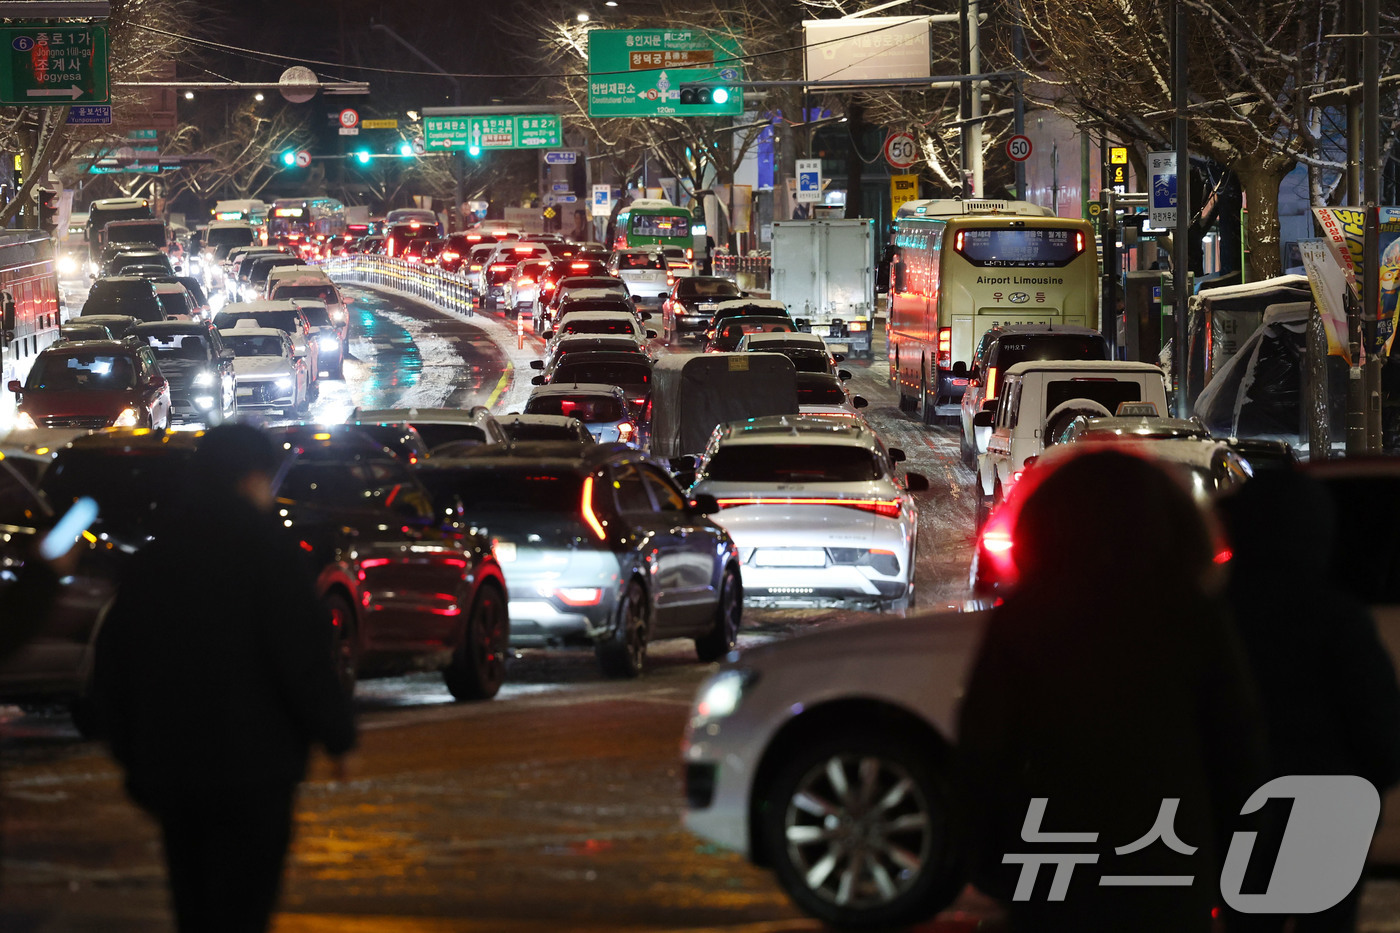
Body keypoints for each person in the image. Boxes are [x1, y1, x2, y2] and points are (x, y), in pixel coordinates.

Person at [957, 448, 1267, 933]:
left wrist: (992, 861)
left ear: (1047, 524)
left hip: (1052, 861)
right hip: (1167, 862)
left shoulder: (1027, 620)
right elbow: (1236, 752)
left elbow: (982, 753)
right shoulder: (1192, 616)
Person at [93, 424, 355, 933]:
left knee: (194, 907)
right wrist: (336, 734)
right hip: (253, 771)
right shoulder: (270, 556)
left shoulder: (156, 558)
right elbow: (301, 657)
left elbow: (115, 663)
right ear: (252, 478)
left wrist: (135, 756)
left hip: (174, 770)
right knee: (242, 908)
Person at [1219, 470, 1400, 932]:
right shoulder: (1336, 618)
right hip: (1329, 810)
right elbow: (1377, 724)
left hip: (1241, 813)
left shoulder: (1214, 617)